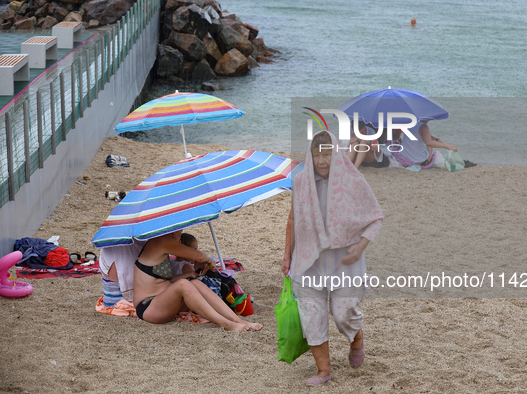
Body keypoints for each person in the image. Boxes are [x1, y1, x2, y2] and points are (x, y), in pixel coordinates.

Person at [282, 131, 383, 385]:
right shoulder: (302, 181)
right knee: (312, 315)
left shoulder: (352, 180)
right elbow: (293, 218)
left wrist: (360, 246)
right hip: (308, 260)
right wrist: (287, 255)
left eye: (327, 154)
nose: (322, 161)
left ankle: (356, 338)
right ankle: (323, 371)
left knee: (343, 313)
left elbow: (375, 217)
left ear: (335, 153)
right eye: (317, 155)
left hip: (345, 261)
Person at [133, 230, 262, 331]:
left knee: (194, 283)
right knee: (184, 284)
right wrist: (208, 260)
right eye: (180, 230)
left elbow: (161, 280)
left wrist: (190, 272)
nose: (181, 234)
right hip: (147, 307)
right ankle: (226, 324)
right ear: (172, 230)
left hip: (162, 301)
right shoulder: (161, 242)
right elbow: (199, 255)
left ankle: (238, 321)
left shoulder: (160, 243)